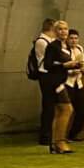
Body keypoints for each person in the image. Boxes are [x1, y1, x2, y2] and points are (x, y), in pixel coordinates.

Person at [40, 20, 78, 154]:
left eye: (65, 29)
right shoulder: (52, 46)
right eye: (60, 29)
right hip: (54, 82)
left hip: (62, 80)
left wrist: (74, 65)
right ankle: (60, 141)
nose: (63, 32)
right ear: (55, 32)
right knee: (67, 109)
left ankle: (54, 144)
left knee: (58, 112)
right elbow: (47, 65)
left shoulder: (66, 46)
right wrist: (64, 65)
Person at [33, 18, 56, 146]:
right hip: (45, 75)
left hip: (51, 74)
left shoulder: (50, 41)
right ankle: (45, 136)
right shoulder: (42, 41)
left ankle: (52, 134)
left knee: (52, 106)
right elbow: (49, 59)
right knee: (48, 106)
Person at [63, 29, 84, 142]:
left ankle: (72, 135)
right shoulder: (64, 50)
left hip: (78, 83)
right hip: (67, 83)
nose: (74, 41)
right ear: (67, 39)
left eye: (76, 38)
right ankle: (60, 136)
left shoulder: (79, 49)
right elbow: (62, 67)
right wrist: (71, 70)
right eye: (71, 38)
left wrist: (83, 69)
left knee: (83, 110)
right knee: (66, 110)